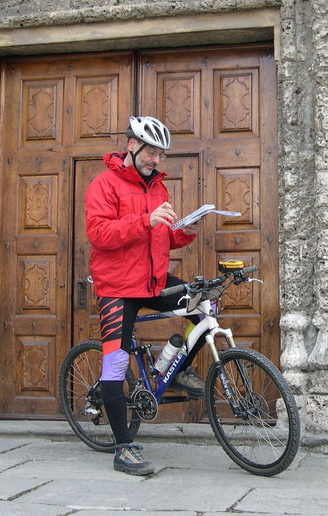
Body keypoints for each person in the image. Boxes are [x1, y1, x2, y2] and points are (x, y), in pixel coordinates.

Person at [84, 115, 206, 476]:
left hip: (152, 280)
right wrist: (145, 221)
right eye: (152, 151)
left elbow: (161, 235)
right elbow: (98, 233)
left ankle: (178, 369)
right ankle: (123, 447)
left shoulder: (159, 188)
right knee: (116, 363)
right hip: (117, 285)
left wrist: (185, 230)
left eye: (161, 154)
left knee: (203, 309)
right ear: (132, 146)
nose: (157, 159)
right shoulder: (104, 184)